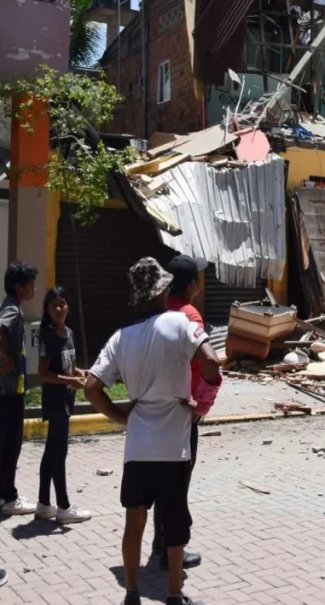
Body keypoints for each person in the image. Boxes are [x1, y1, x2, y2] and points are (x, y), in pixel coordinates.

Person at [84, 257, 222, 605]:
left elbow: (91, 386)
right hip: (174, 447)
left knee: (134, 521)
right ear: (162, 290)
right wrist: (200, 404)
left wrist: (119, 416)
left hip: (138, 448)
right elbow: (211, 362)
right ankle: (175, 594)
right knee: (173, 525)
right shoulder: (182, 323)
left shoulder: (121, 337)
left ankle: (131, 593)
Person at [150, 255, 218, 571]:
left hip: (156, 410)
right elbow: (209, 363)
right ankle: (171, 552)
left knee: (162, 482)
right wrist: (201, 405)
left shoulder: (159, 312)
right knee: (178, 486)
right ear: (192, 285)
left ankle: (159, 542)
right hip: (181, 412)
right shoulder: (190, 316)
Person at [34, 287, 92, 524]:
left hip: (67, 399)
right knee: (59, 452)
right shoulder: (48, 335)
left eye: (62, 304)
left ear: (68, 306)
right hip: (55, 400)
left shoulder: (68, 333)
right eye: (54, 305)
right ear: (47, 310)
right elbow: (43, 373)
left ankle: (43, 504)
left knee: (51, 451)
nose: (59, 309)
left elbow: (68, 366)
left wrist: (81, 372)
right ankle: (64, 507)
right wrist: (70, 381)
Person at [0, 260, 38, 516]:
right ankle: (9, 497)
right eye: (30, 285)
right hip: (10, 389)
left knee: (0, 444)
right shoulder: (13, 311)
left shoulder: (5, 304)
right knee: (10, 444)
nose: (34, 289)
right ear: (19, 288)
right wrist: (7, 358)